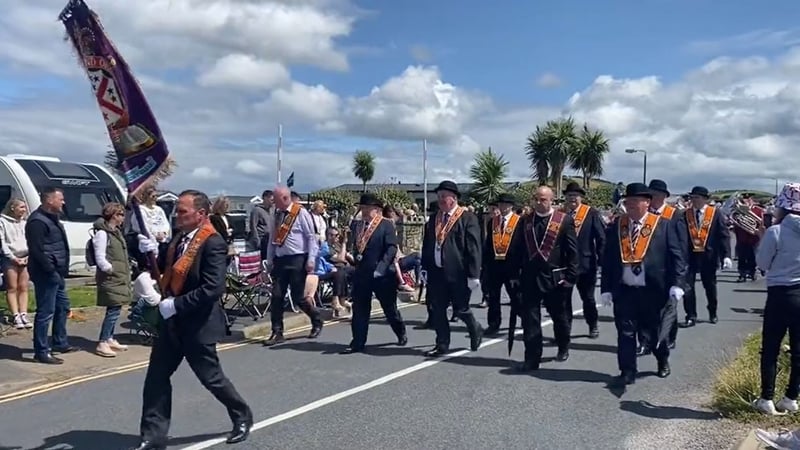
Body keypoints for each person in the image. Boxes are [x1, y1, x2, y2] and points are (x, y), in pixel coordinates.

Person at [130, 189, 252, 450]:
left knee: (212, 379)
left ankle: (242, 415)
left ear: (201, 214)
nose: (177, 216)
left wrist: (176, 304)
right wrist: (147, 250)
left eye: (183, 211)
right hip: (170, 324)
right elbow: (161, 266)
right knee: (156, 379)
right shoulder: (178, 239)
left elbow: (213, 288)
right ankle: (153, 436)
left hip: (197, 324)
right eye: (177, 211)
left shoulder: (213, 242)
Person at [600, 183, 687, 387]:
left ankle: (662, 359)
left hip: (654, 290)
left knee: (655, 331)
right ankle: (627, 371)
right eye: (627, 201)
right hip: (625, 290)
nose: (629, 205)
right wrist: (605, 288)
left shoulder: (664, 225)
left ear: (646, 203)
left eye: (634, 201)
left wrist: (677, 283)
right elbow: (608, 259)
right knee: (625, 332)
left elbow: (677, 257)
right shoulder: (617, 226)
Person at [507, 186, 578, 370]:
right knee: (530, 320)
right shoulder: (525, 221)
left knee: (559, 316)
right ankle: (532, 358)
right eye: (536, 199)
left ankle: (563, 346)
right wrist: (514, 274)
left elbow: (572, 251)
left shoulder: (564, 220)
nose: (539, 203)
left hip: (555, 278)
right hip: (530, 278)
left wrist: (570, 275)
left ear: (552, 200)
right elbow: (516, 249)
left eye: (543, 200)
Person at [752, 182, 800, 416]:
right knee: (799, 349)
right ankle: (791, 398)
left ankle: (767, 398)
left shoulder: (776, 231)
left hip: (781, 294)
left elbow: (762, 264)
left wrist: (763, 237)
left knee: (771, 347)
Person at [420, 180, 483, 357]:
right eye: (438, 196)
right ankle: (442, 344)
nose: (440, 200)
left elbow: (474, 248)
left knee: (461, 309)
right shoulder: (434, 219)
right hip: (437, 272)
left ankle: (475, 328)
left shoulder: (467, 218)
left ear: (454, 198)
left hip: (459, 273)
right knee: (438, 309)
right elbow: (427, 245)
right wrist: (424, 268)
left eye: (443, 197)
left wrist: (474, 274)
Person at [341, 193, 407, 354]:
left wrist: (381, 268)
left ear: (376, 210)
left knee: (389, 309)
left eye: (366, 208)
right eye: (362, 208)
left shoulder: (386, 225)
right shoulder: (357, 225)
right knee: (360, 309)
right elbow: (357, 247)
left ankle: (400, 332)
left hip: (382, 275)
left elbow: (391, 248)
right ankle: (357, 342)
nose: (363, 211)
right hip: (362, 274)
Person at [262, 186, 323, 346]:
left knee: (298, 298)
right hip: (281, 260)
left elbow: (311, 238)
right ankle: (277, 332)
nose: (273, 202)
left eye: (275, 199)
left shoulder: (300, 213)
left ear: (284, 198)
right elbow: (272, 241)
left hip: (298, 259)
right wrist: (269, 261)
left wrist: (311, 259)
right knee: (276, 296)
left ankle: (316, 319)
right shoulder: (275, 214)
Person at [26, 187, 79, 364]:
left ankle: (60, 342)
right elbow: (37, 250)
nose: (63, 202)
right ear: (49, 200)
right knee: (45, 311)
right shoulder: (37, 222)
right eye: (60, 199)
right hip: (46, 273)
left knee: (63, 307)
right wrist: (50, 270)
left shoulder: (53, 219)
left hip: (57, 272)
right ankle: (41, 351)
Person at [681, 186, 731, 327]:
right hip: (690, 256)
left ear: (705, 199)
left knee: (710, 286)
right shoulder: (686, 214)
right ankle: (690, 315)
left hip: (708, 256)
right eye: (692, 197)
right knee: (688, 287)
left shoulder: (715, 213)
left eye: (697, 197)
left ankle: (712, 311)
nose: (694, 200)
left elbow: (723, 235)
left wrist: (726, 255)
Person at [647, 179, 687, 353]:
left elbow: (682, 243)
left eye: (655, 195)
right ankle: (647, 340)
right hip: (648, 267)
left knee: (669, 307)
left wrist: (680, 270)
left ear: (663, 196)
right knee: (648, 307)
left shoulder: (675, 215)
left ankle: (670, 337)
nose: (652, 198)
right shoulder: (645, 213)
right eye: (650, 195)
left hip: (669, 267)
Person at [562, 182, 605, 339]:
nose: (572, 198)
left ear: (581, 198)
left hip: (586, 264)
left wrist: (602, 261)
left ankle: (592, 325)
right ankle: (565, 331)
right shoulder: (560, 214)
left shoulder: (591, 213)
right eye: (569, 196)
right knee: (564, 300)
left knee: (588, 298)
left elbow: (601, 238)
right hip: (565, 265)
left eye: (575, 195)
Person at [91, 202, 132, 358]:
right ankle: (102, 342)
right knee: (113, 310)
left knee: (115, 309)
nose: (123, 217)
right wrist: (110, 269)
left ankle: (109, 338)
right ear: (113, 215)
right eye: (120, 214)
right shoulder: (103, 233)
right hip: (111, 278)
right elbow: (100, 257)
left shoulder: (116, 232)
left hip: (120, 276)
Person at [481, 193, 522, 336]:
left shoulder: (519, 221)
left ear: (511, 206)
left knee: (516, 296)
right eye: (500, 204)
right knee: (493, 297)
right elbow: (488, 244)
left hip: (512, 266)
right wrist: (485, 264)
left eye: (505, 204)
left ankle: (524, 318)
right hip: (495, 266)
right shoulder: (493, 222)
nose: (503, 207)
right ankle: (493, 323)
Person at [0, 198, 30, 329]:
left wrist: (28, 256)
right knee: (12, 287)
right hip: (10, 258)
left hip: (25, 257)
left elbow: (29, 239)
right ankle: (15, 314)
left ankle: (24, 313)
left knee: (23, 286)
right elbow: (3, 242)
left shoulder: (25, 223)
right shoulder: (2, 221)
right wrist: (12, 257)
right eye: (21, 207)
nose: (24, 210)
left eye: (24, 207)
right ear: (13, 207)